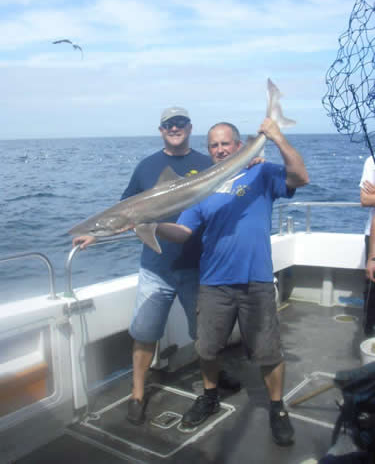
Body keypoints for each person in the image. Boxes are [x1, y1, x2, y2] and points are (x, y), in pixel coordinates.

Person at [72, 107, 242, 426]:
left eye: (179, 123)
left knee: (204, 336)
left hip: (196, 266)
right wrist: (94, 234)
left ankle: (213, 385)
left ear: (190, 128)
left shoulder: (208, 164)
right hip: (155, 269)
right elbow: (122, 210)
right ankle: (137, 394)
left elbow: (230, 194)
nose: (174, 128)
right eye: (168, 124)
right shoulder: (147, 166)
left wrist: (252, 160)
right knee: (144, 334)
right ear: (161, 130)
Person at [156, 119, 309, 446]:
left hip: (256, 281)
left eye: (226, 143)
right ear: (209, 150)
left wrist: (277, 136)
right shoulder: (203, 188)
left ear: (239, 146)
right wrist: (150, 224)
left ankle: (277, 407)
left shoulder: (262, 173)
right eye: (214, 145)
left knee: (268, 353)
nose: (220, 149)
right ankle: (210, 397)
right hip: (214, 283)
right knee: (207, 349)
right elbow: (183, 233)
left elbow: (301, 177)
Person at [359, 156, 375, 336]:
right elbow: (365, 199)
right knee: (372, 289)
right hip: (373, 236)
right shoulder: (372, 161)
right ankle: (368, 333)